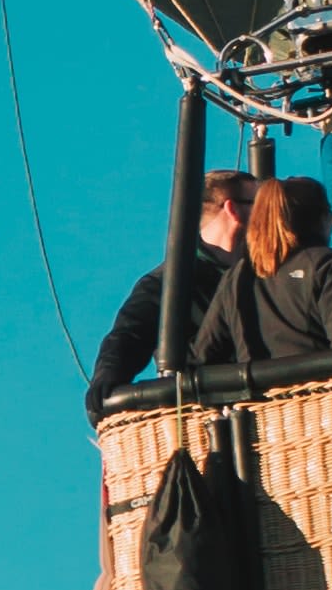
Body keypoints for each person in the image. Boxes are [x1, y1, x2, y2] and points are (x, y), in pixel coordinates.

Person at [190, 171, 332, 383]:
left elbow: (203, 356)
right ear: (320, 218)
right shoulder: (329, 265)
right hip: (324, 397)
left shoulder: (236, 277)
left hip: (258, 401)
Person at [85, 172, 244, 414]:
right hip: (206, 413)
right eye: (259, 205)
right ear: (233, 210)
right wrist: (107, 378)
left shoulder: (271, 274)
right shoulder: (169, 283)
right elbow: (130, 334)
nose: (271, 213)